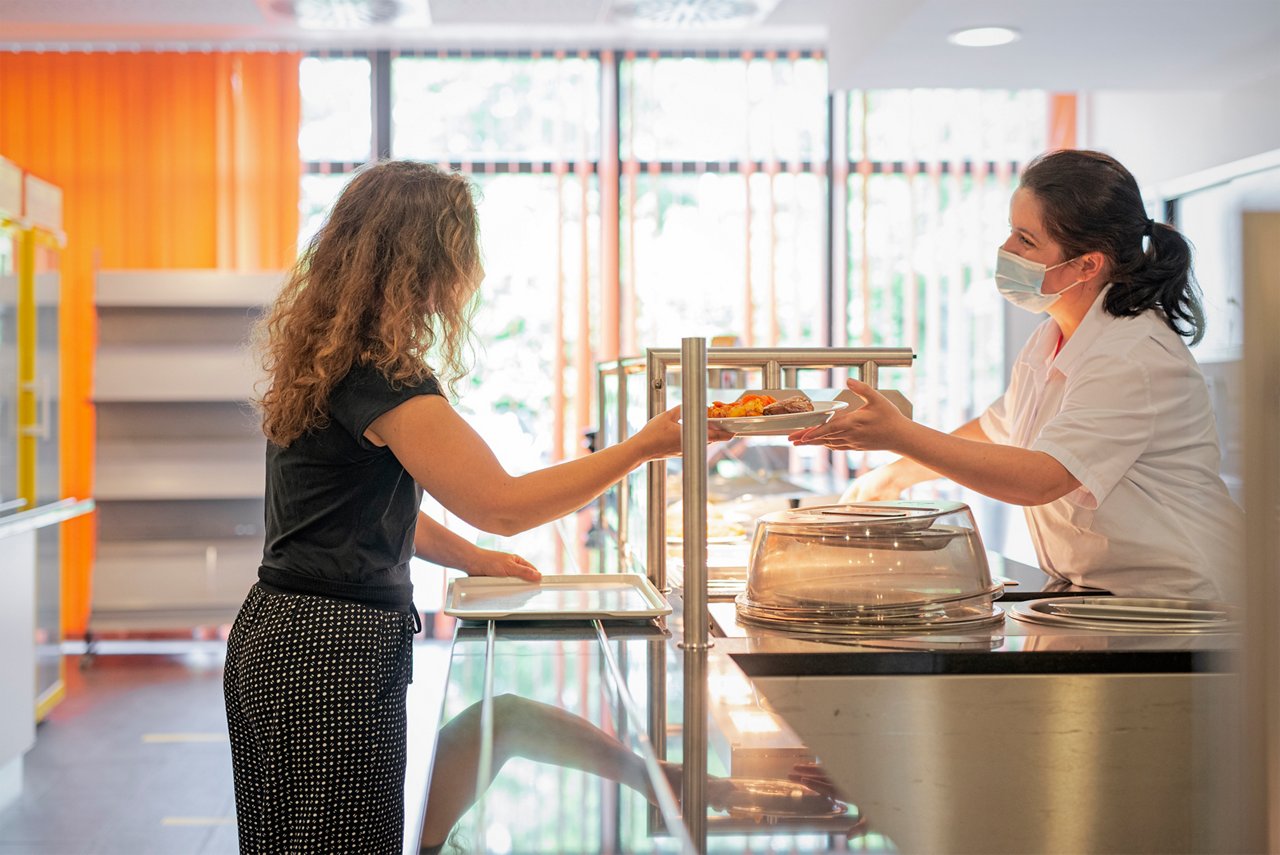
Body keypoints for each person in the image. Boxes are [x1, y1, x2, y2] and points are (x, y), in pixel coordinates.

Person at [223, 159, 723, 854]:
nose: (470, 273)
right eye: (461, 251)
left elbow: (353, 510)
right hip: (331, 649)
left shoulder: (328, 361)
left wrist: (471, 557)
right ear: (423, 261)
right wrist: (642, 446)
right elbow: (503, 503)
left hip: (278, 632)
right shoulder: (384, 377)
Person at [790, 149, 1242, 601]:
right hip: (1104, 590)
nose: (1006, 251)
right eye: (1011, 233)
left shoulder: (1132, 355)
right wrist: (892, 476)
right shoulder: (1053, 336)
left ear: (1088, 263)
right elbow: (997, 429)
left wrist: (900, 435)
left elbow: (1041, 478)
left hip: (1182, 598)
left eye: (1026, 240)